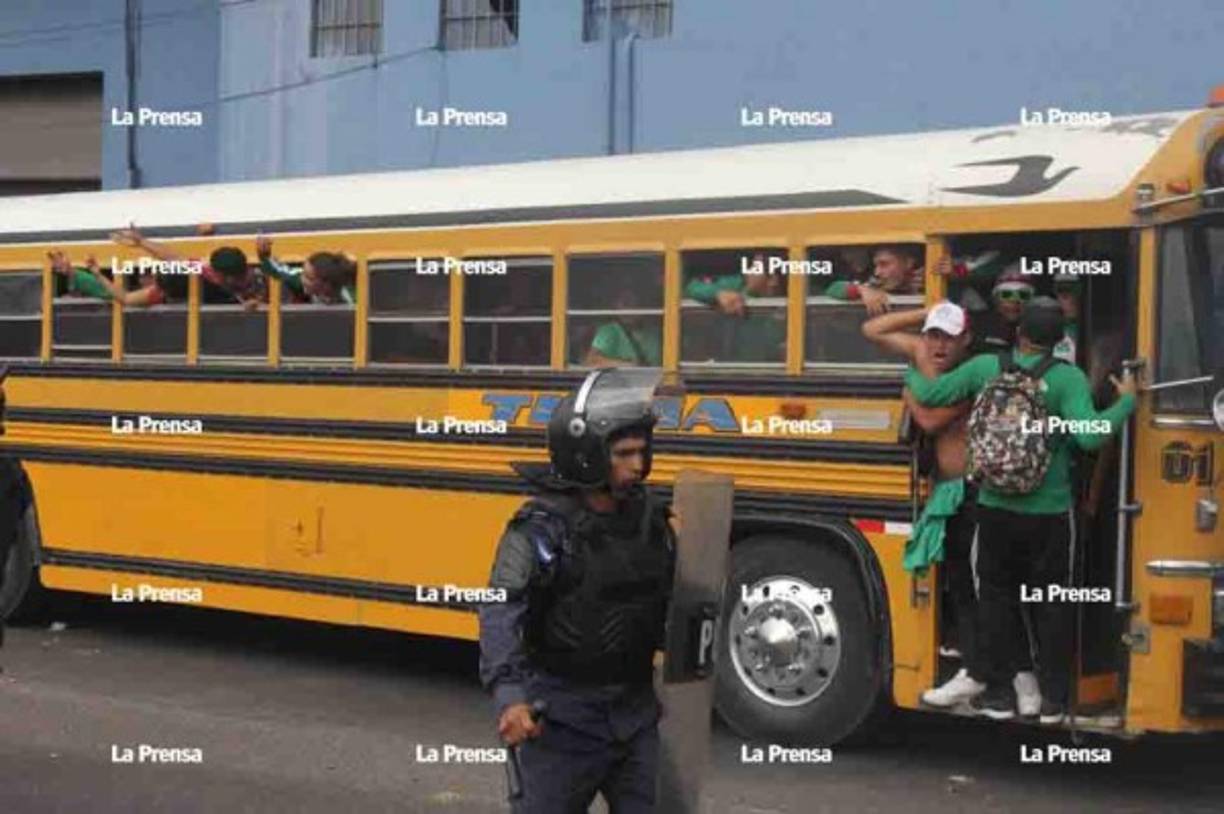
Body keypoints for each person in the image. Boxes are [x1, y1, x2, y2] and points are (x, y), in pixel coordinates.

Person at [906, 297, 1137, 723]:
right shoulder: (1067, 378)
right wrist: (1126, 402)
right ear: (1059, 339)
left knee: (995, 600)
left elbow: (929, 392)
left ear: (1019, 333)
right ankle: (1051, 701)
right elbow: (1090, 437)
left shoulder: (986, 368)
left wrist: (912, 366)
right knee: (1051, 602)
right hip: (1049, 511)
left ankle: (1007, 692)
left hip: (993, 506)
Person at [479, 368, 676, 813]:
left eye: (642, 452)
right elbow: (500, 609)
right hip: (562, 721)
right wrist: (510, 697)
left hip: (636, 716)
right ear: (586, 455)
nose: (638, 466)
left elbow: (671, 602)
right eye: (624, 454)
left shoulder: (652, 522)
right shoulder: (540, 530)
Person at [861, 303, 1041, 714]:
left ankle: (1002, 680)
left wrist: (908, 387)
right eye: (933, 335)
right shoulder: (924, 350)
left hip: (976, 491)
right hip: (946, 493)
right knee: (962, 589)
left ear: (967, 339)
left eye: (949, 336)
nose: (939, 345)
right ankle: (990, 676)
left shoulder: (977, 373)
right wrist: (927, 309)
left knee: (986, 591)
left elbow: (929, 419)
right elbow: (872, 328)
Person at [111, 224, 266, 308]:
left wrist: (254, 305)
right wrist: (142, 242)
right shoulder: (207, 273)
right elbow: (174, 258)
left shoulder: (261, 280)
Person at [684, 253, 786, 362]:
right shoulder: (737, 285)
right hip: (730, 367)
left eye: (755, 268)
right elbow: (692, 287)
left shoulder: (789, 302)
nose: (748, 272)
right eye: (750, 266)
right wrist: (717, 294)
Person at [823, 244, 924, 315]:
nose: (877, 272)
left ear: (908, 263)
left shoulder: (929, 283)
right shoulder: (874, 286)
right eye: (876, 265)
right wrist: (861, 289)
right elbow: (832, 288)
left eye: (884, 264)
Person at [255, 236, 355, 305]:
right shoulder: (300, 280)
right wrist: (264, 255)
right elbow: (277, 271)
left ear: (326, 285)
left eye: (309, 278)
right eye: (304, 273)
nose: (303, 279)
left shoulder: (350, 297)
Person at [585, 289, 662, 367]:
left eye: (633, 304)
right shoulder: (610, 331)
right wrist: (629, 366)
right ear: (616, 308)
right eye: (625, 304)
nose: (629, 309)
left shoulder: (655, 333)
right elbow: (592, 361)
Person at [967, 264, 1033, 354]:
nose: (1014, 301)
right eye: (1006, 294)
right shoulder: (978, 325)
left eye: (1022, 295)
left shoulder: (1036, 329)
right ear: (995, 299)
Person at [1051, 272, 1081, 364]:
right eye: (1063, 292)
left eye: (1076, 291)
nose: (1071, 299)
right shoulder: (1048, 332)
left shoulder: (1102, 335)